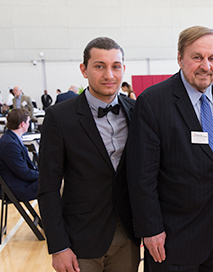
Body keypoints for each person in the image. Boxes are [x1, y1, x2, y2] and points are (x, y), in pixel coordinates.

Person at [126, 25, 213, 272]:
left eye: (212, 58)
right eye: (197, 57)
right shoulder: (153, 101)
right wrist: (151, 229)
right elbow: (142, 175)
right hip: (172, 239)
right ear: (180, 58)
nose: (206, 66)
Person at [38, 37, 140, 272]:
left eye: (115, 66)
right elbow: (48, 188)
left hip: (128, 236)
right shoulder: (59, 118)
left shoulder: (137, 111)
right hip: (80, 238)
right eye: (99, 66)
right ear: (84, 70)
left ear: (123, 69)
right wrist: (58, 246)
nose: (109, 75)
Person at [0, 109, 39, 202]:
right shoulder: (9, 144)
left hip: (19, 182)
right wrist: (45, 175)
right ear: (22, 124)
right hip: (17, 187)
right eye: (28, 122)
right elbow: (25, 173)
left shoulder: (11, 138)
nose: (29, 124)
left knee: (55, 182)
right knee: (55, 183)